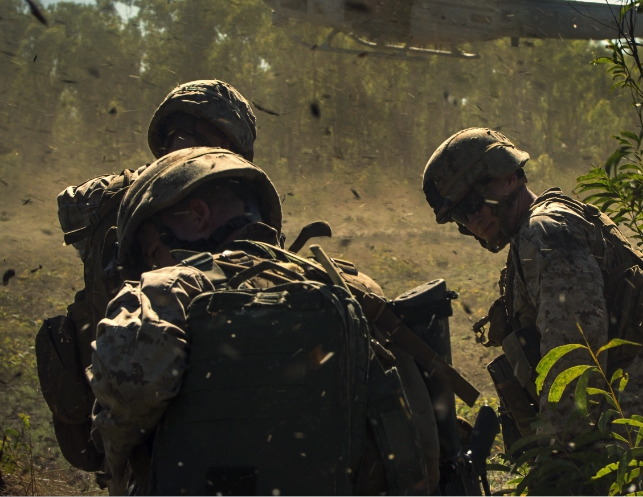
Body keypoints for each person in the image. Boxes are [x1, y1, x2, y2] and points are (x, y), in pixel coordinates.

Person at [91, 147, 430, 495]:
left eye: (152, 254)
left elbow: (128, 390)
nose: (153, 266)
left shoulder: (167, 289)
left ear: (198, 213)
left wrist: (119, 464)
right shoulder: (354, 287)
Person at [38, 79, 259, 477]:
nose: (185, 145)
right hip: (122, 388)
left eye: (200, 138)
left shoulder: (239, 207)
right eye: (180, 134)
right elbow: (70, 209)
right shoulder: (115, 199)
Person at [421, 128, 643, 445]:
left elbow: (575, 357)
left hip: (630, 432)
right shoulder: (531, 237)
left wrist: (562, 446)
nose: (473, 219)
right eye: (461, 216)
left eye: (476, 202)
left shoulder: (544, 233)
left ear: (508, 176)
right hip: (625, 424)